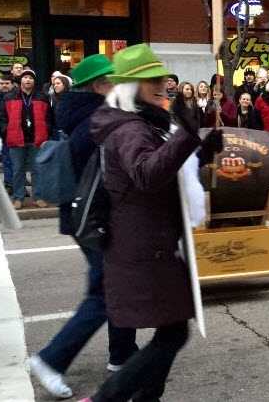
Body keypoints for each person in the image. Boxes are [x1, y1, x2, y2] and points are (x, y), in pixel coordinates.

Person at [84, 44, 221, 402]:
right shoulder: (130, 127)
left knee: (172, 330)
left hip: (152, 242)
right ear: (132, 86)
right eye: (152, 79)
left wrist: (202, 148)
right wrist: (186, 135)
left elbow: (167, 167)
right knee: (173, 332)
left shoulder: (142, 120)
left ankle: (141, 398)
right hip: (144, 245)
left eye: (161, 77)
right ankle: (109, 397)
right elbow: (147, 173)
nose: (162, 84)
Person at [28, 54, 138, 399]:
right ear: (98, 85)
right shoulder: (97, 118)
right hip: (94, 217)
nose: (119, 85)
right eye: (113, 80)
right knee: (106, 293)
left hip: (84, 215)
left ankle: (121, 355)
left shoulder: (80, 111)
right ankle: (50, 359)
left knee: (116, 285)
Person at [0, 69, 51, 209]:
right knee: (17, 170)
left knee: (37, 169)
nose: (28, 80)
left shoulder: (42, 96)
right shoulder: (10, 97)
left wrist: (47, 131)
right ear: (20, 80)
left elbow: (49, 118)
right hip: (16, 138)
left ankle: (38, 197)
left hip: (37, 138)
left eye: (30, 78)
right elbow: (2, 118)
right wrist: (6, 131)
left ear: (34, 81)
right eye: (25, 77)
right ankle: (18, 197)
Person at [0, 75, 15, 189]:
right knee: (7, 160)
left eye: (7, 83)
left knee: (17, 162)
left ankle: (18, 185)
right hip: (1, 134)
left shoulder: (18, 97)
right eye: (2, 83)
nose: (4, 85)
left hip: (17, 133)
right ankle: (9, 184)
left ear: (12, 84)